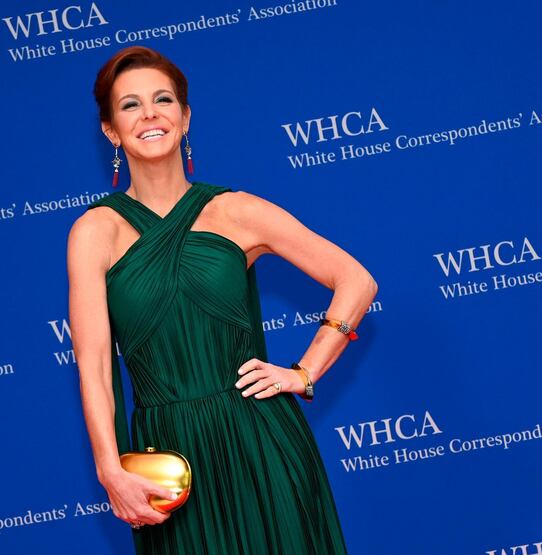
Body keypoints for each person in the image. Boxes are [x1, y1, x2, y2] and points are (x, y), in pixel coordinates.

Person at [67, 45, 378, 555]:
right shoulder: (94, 232)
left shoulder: (235, 211)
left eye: (162, 99)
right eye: (130, 105)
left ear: (185, 117)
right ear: (110, 130)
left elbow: (356, 281)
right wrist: (110, 467)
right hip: (170, 461)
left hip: (260, 438)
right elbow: (95, 365)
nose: (149, 114)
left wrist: (302, 373)